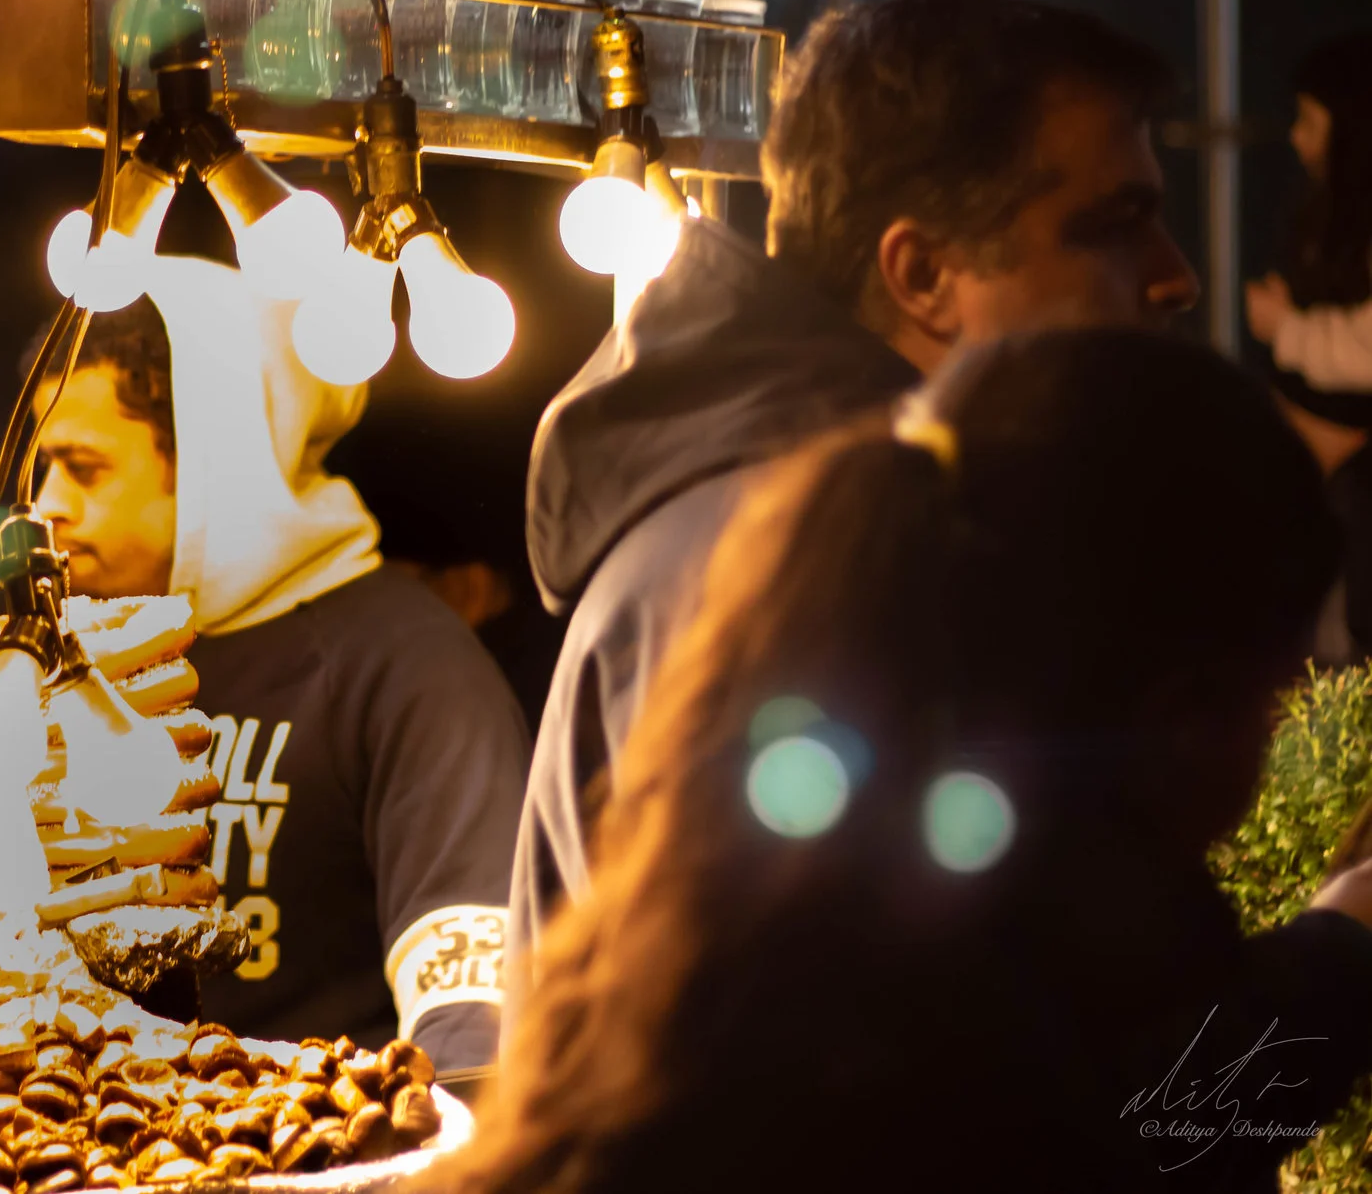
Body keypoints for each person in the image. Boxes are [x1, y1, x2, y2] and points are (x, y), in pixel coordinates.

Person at [453, 328, 1372, 1194]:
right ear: (1188, 716)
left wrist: (1338, 945)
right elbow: (1151, 1121)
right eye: (1274, 697)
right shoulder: (996, 1001)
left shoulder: (748, 901)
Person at [514, 0, 1202, 969]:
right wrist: (1333, 962)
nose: (1176, 276)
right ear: (921, 274)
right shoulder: (787, 558)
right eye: (1110, 226)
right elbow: (862, 1066)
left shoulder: (821, 519)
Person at [31, 259, 530, 1074]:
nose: (48, 502)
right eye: (43, 466)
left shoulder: (410, 670)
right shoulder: (53, 666)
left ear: (219, 461)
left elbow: (474, 1032)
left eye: (84, 468)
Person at [1245, 33, 1372, 660]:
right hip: (1315, 468)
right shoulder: (1323, 207)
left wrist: (1287, 328)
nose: (1296, 138)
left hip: (1354, 471)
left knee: (1349, 637)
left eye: (1310, 121)